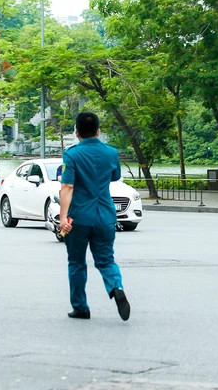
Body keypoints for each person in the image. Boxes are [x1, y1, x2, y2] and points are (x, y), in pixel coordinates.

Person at [59, 112, 130, 321]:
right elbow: (114, 176)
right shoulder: (111, 153)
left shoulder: (71, 155)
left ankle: (81, 307)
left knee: (76, 263)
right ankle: (116, 286)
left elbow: (67, 186)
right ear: (98, 131)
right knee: (106, 260)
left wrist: (63, 217)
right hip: (105, 215)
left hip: (79, 216)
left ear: (76, 132)